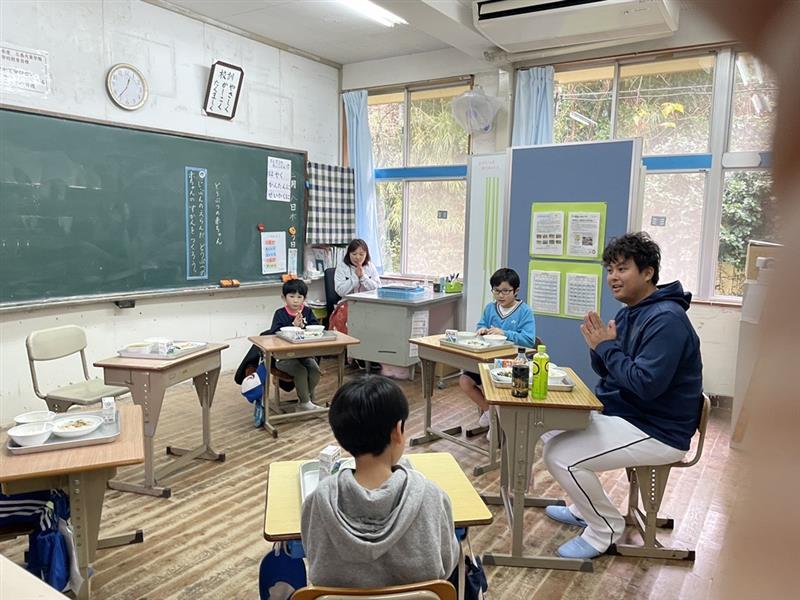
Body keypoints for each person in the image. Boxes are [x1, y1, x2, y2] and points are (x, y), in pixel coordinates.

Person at [542, 232, 703, 559]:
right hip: (630, 414)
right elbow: (615, 371)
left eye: (622, 269)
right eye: (610, 269)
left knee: (561, 456)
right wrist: (600, 349)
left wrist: (606, 347)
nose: (613, 277)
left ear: (648, 272)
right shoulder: (633, 311)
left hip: (657, 429)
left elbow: (644, 384)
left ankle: (604, 529)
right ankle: (584, 508)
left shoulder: (666, 320)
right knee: (550, 427)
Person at [301, 375, 459, 587]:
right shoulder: (432, 496)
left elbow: (313, 558)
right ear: (398, 431)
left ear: (341, 437)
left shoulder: (317, 501)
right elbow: (446, 566)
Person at [458, 268, 536, 429]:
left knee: (495, 386)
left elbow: (529, 340)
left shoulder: (524, 311)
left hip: (513, 364)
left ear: (516, 291)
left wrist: (505, 333)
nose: (500, 295)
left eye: (506, 291)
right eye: (496, 290)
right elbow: (481, 325)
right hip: (488, 361)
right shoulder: (490, 308)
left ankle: (499, 422)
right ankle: (491, 413)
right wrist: (481, 330)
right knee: (465, 381)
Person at [235, 279, 321, 411]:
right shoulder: (280, 314)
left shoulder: (308, 312)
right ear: (284, 298)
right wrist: (293, 326)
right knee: (300, 371)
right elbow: (274, 334)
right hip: (283, 358)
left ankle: (304, 399)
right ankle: (305, 402)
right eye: (291, 296)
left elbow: (315, 329)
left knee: (315, 370)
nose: (296, 300)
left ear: (305, 298)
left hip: (304, 355)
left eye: (299, 297)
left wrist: (303, 327)